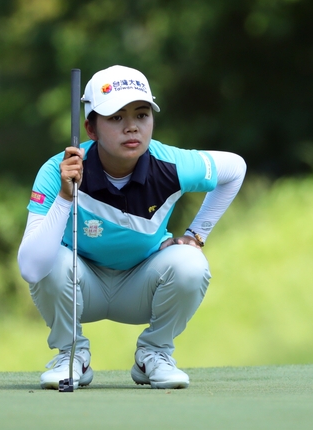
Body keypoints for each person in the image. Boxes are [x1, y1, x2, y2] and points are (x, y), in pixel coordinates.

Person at [17, 65, 246, 389]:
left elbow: (235, 168)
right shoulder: (59, 170)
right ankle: (71, 355)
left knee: (191, 263)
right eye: (116, 118)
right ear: (91, 128)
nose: (132, 127)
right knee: (51, 256)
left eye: (141, 115)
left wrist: (197, 235)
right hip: (80, 286)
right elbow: (31, 268)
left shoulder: (172, 165)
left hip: (142, 286)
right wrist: (66, 197)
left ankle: (154, 354)